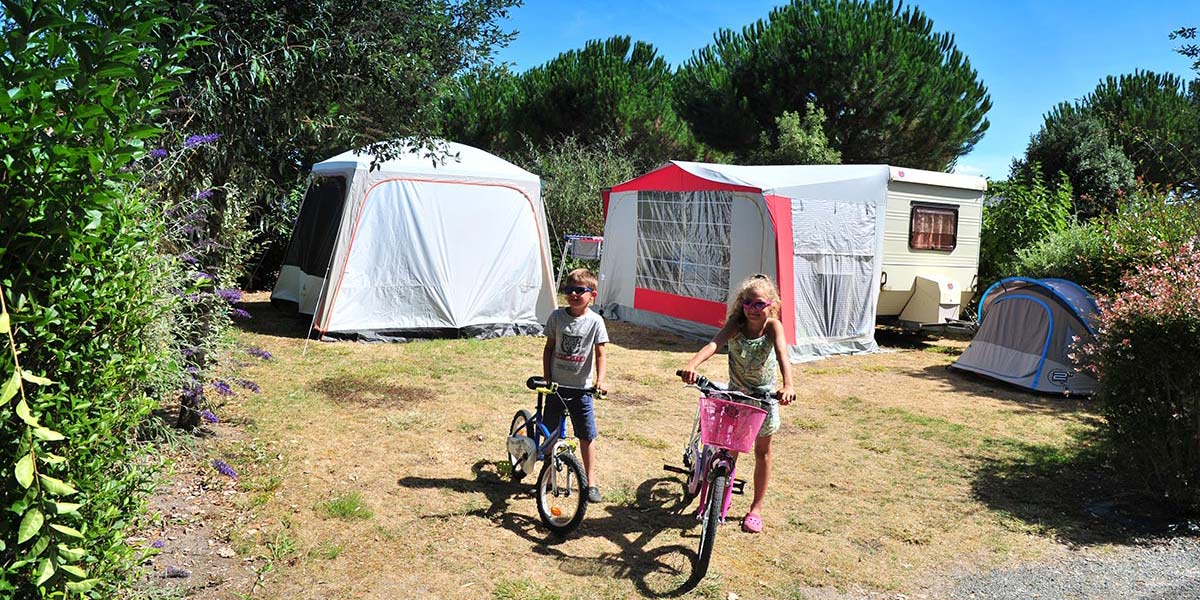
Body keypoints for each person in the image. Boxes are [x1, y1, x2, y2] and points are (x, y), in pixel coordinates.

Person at [678, 273, 795, 533]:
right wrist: (692, 365)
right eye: (749, 303)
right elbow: (714, 344)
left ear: (771, 305)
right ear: (742, 304)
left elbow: (783, 355)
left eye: (760, 304)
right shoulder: (736, 324)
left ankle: (756, 508)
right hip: (736, 397)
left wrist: (788, 385)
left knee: (762, 452)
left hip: (763, 400)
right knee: (728, 451)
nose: (753, 310)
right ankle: (719, 493)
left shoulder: (773, 326)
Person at [543, 268, 609, 503]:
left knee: (586, 436)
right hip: (556, 388)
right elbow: (549, 348)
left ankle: (591, 482)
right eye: (569, 289)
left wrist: (600, 381)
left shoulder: (595, 322)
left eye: (579, 290)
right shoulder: (557, 317)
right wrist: (547, 377)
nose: (573, 294)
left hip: (582, 390)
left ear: (592, 294)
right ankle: (547, 478)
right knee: (549, 434)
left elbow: (600, 354)